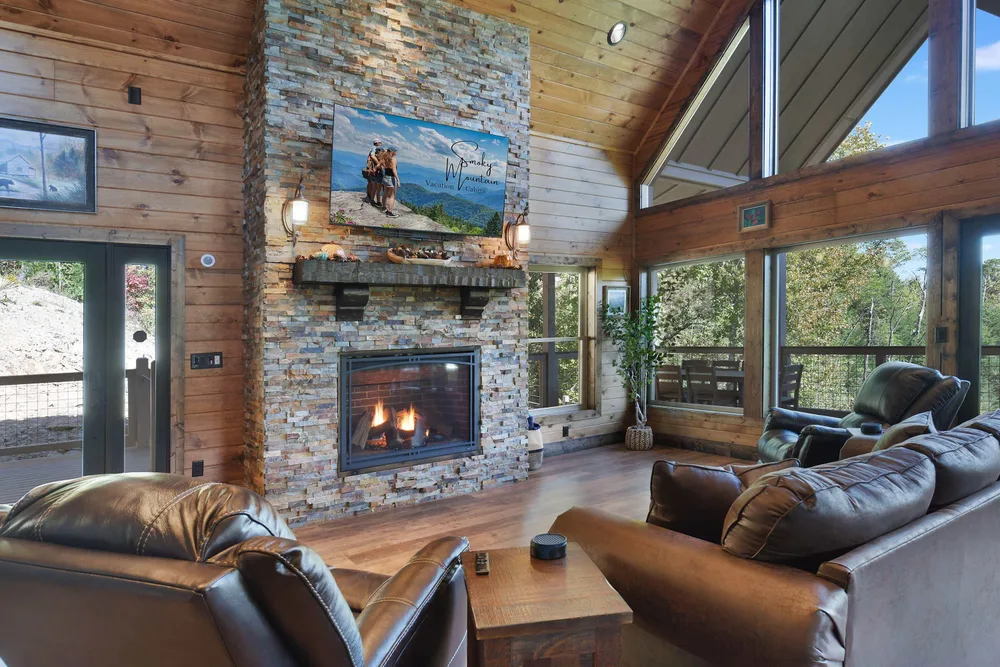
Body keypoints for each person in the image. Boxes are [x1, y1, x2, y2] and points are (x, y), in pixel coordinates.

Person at [380, 148, 400, 218]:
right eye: (395, 151)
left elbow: (382, 167)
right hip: (391, 179)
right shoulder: (393, 159)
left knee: (385, 193)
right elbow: (394, 171)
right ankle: (389, 212)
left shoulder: (385, 158)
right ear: (393, 152)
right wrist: (398, 180)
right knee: (392, 196)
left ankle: (383, 207)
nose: (396, 153)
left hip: (385, 177)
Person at [364, 140, 383, 206]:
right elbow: (372, 156)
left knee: (373, 186)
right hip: (376, 171)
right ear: (377, 143)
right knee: (377, 188)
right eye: (380, 142)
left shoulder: (373, 149)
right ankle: (375, 200)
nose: (381, 143)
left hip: (371, 171)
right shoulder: (375, 148)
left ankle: (371, 199)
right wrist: (378, 164)